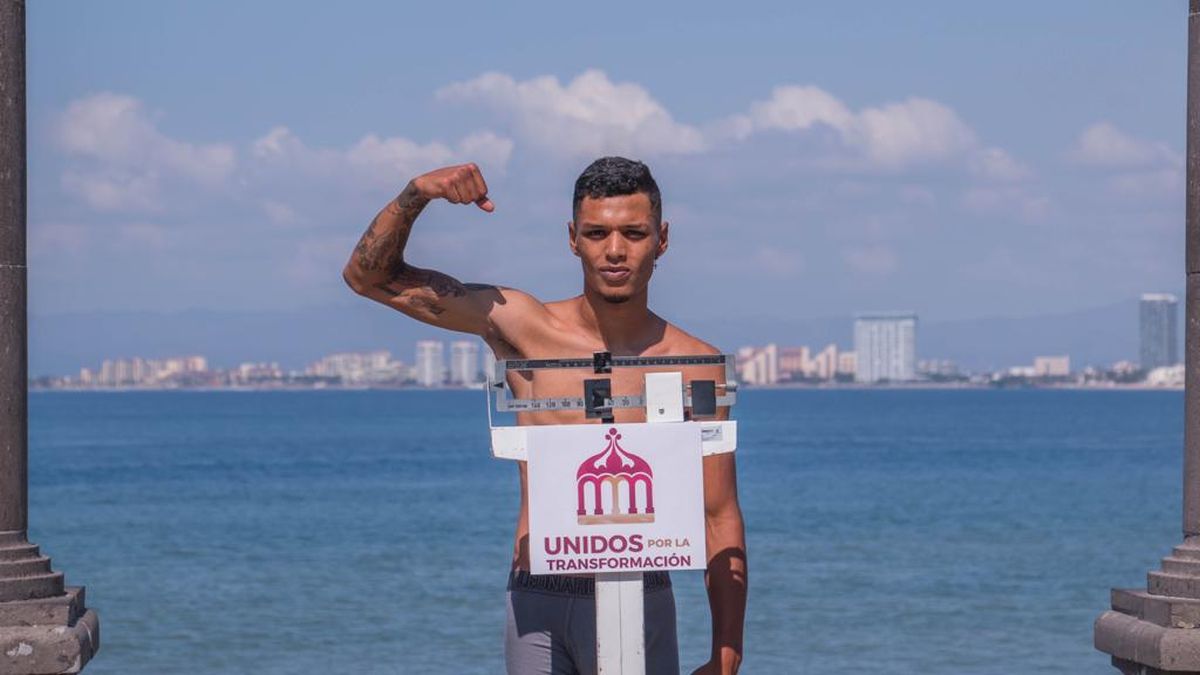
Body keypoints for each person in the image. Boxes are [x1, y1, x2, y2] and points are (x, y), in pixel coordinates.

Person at [343, 157, 747, 675]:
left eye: (634, 233)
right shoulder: (523, 328)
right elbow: (367, 278)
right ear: (573, 239)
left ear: (661, 239)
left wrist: (727, 652)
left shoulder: (696, 364)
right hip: (539, 595)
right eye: (597, 233)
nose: (615, 250)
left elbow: (718, 514)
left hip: (643, 588)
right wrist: (417, 193)